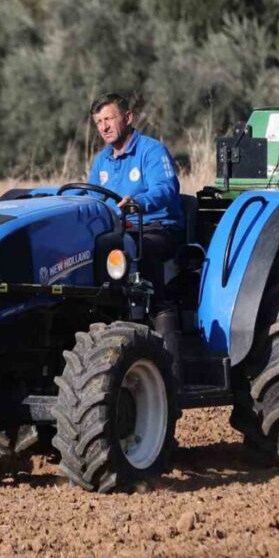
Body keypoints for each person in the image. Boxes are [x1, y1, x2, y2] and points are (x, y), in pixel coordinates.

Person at [87, 93, 184, 380]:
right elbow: (93, 197)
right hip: (116, 232)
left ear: (127, 118)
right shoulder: (101, 161)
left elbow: (167, 188)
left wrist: (139, 202)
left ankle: (169, 360)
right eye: (98, 122)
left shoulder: (152, 152)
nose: (104, 127)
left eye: (109, 118)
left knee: (140, 251)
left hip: (155, 228)